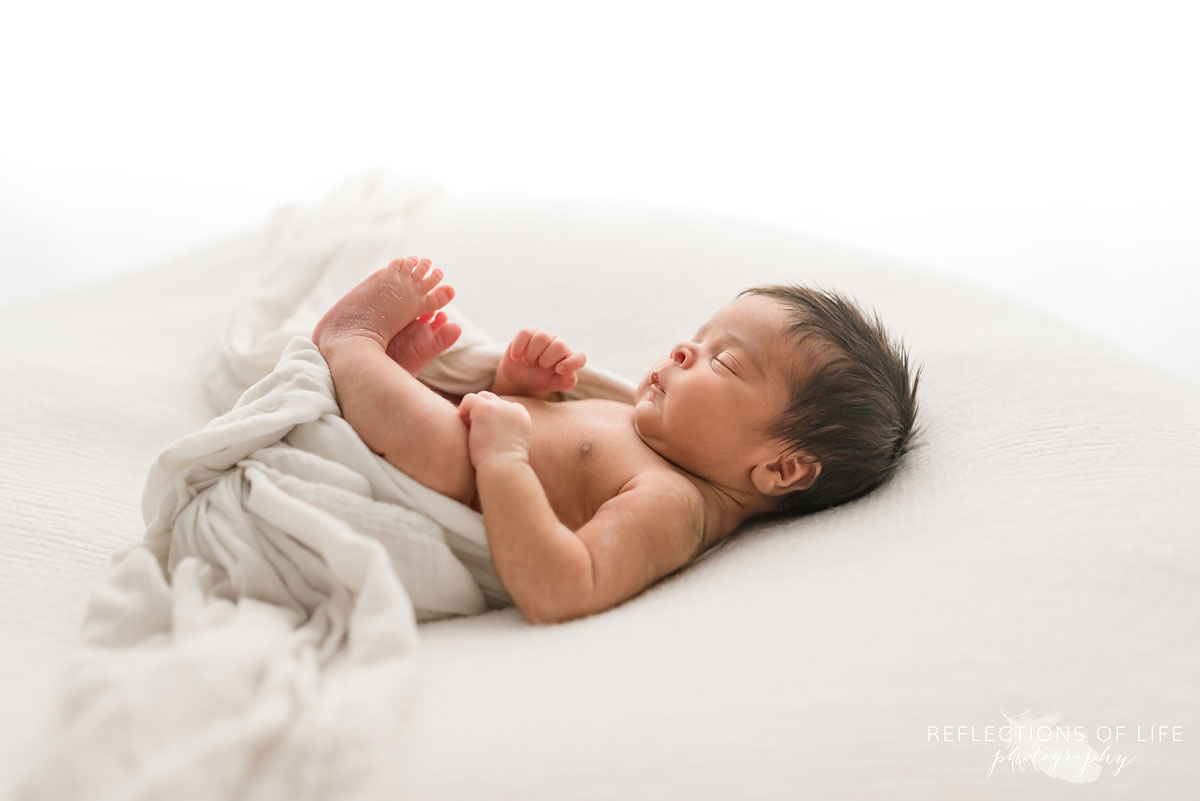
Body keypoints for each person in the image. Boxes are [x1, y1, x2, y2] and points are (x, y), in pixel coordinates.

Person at [312, 256, 921, 624]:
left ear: (781, 468)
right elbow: (553, 448)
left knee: (445, 450)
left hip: (452, 484)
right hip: (468, 435)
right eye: (699, 337)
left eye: (726, 362)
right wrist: (518, 386)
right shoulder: (650, 431)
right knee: (445, 427)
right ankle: (387, 382)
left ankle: (350, 343)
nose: (684, 350)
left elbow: (564, 587)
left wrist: (500, 457)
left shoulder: (672, 503)